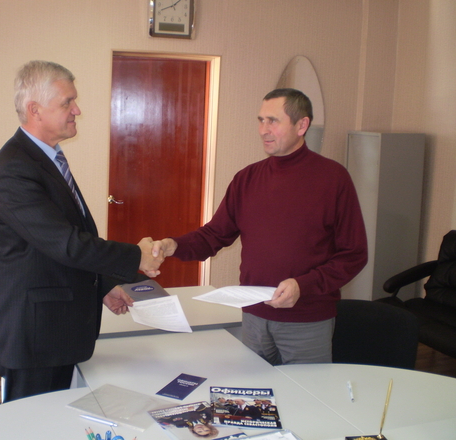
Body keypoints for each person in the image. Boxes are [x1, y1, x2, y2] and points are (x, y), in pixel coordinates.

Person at [0, 60, 163, 401]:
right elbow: (67, 244)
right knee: (33, 425)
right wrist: (136, 255)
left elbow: (61, 240)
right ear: (35, 110)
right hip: (34, 337)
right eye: (68, 102)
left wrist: (104, 285)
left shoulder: (46, 159)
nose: (77, 110)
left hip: (55, 329)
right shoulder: (13, 170)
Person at [153, 88, 367, 366]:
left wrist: (303, 286)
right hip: (254, 317)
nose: (263, 130)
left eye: (273, 121)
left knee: (306, 392)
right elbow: (214, 235)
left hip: (306, 320)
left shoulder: (333, 179)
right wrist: (173, 245)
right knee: (255, 391)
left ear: (302, 125)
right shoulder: (247, 179)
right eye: (261, 120)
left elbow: (353, 254)